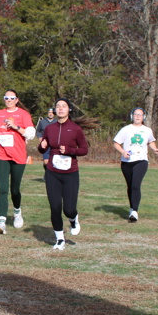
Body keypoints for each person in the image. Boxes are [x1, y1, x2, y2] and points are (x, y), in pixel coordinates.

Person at [38, 98, 89, 251]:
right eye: (58, 106)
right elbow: (42, 148)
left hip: (70, 174)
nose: (60, 108)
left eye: (64, 106)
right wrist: (41, 146)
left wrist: (69, 150)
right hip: (52, 172)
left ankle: (73, 219)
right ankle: (60, 239)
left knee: (68, 209)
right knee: (55, 207)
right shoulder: (49, 128)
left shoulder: (75, 129)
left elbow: (84, 149)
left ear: (69, 110)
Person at [0, 89, 35, 233]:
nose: (9, 100)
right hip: (1, 154)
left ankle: (17, 211)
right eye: (6, 98)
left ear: (16, 100)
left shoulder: (23, 114)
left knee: (14, 190)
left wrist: (16, 127)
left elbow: (31, 134)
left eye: (12, 98)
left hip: (18, 155)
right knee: (3, 189)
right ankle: (2, 222)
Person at [112, 107, 158, 223]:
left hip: (141, 161)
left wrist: (155, 149)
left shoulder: (147, 130)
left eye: (140, 114)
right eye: (136, 114)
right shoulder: (126, 129)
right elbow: (116, 143)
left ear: (143, 117)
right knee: (130, 186)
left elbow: (151, 141)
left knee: (135, 185)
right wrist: (123, 152)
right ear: (132, 116)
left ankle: (135, 211)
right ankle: (132, 208)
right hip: (127, 162)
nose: (138, 116)